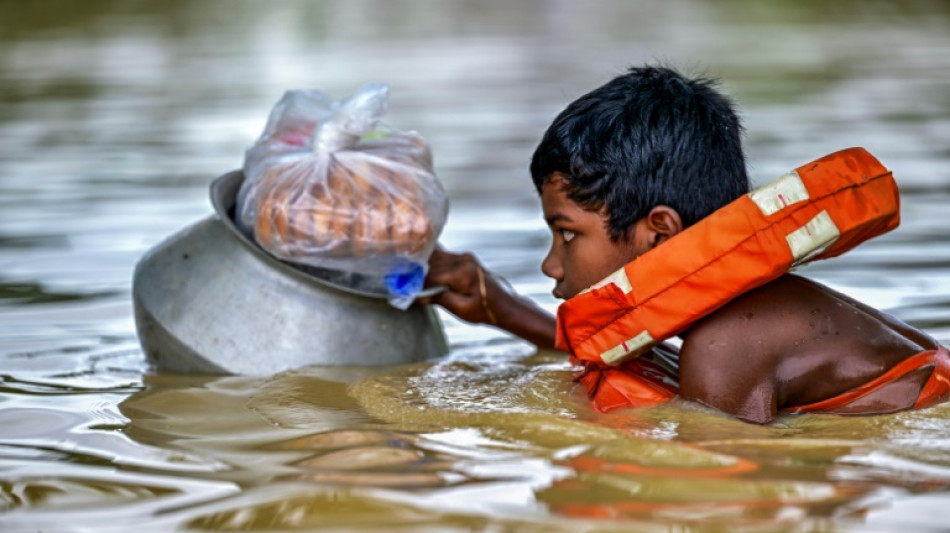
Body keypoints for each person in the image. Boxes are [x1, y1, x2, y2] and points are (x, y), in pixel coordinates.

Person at [423, 65, 949, 424]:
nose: (549, 263)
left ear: (659, 232)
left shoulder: (726, 345)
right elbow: (645, 358)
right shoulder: (738, 320)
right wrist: (502, 310)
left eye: (566, 234)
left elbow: (713, 485)